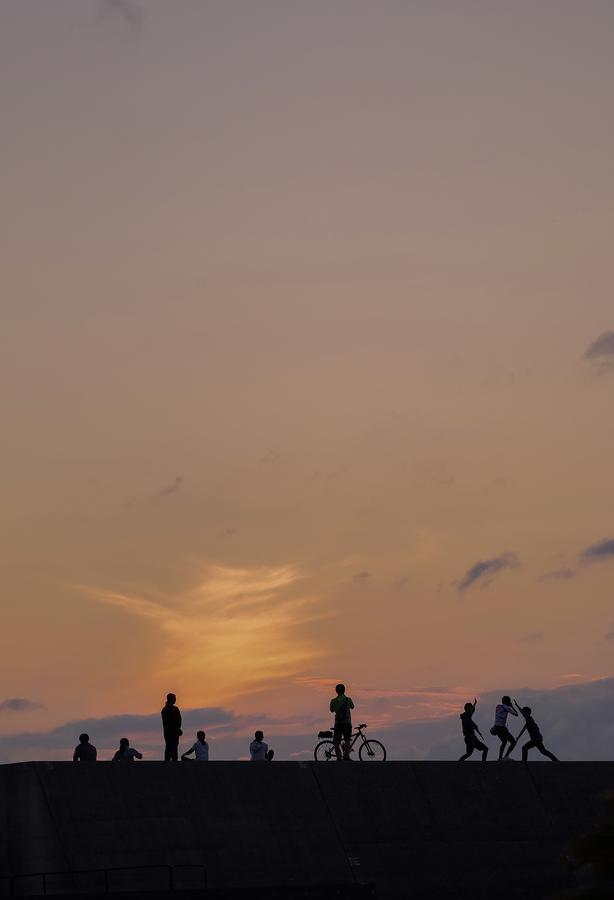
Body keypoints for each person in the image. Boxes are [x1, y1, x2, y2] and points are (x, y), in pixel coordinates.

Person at [330, 683, 355, 760]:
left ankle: (339, 757)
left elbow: (331, 710)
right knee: (347, 740)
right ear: (344, 690)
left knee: (336, 741)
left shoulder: (333, 701)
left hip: (338, 723)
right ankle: (346, 756)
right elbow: (352, 707)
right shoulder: (348, 700)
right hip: (347, 723)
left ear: (336, 691)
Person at [490, 695, 518, 760]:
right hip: (502, 728)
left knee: (504, 742)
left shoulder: (498, 706)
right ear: (508, 702)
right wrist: (512, 706)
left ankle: (500, 757)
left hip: (496, 727)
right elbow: (516, 714)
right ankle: (506, 756)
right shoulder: (507, 708)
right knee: (513, 742)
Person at [161, 692, 182, 761]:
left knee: (169, 747)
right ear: (171, 699)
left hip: (169, 733)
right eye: (174, 698)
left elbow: (178, 720)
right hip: (172, 732)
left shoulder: (164, 710)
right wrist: (178, 729)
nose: (175, 700)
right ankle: (172, 763)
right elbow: (177, 721)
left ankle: (168, 762)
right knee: (173, 748)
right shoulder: (174, 709)